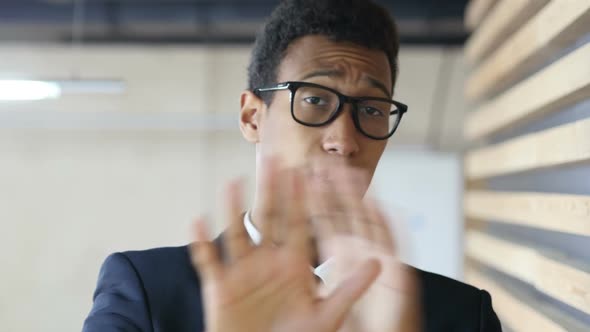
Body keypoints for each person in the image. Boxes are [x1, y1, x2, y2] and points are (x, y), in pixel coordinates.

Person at [82, 0, 502, 331]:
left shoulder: (463, 316)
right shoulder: (146, 291)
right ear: (252, 117)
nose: (344, 140)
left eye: (372, 109)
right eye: (315, 100)